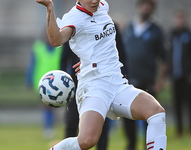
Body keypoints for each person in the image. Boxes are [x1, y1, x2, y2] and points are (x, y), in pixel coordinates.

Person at [36, 0, 167, 150]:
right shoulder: (74, 18)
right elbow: (56, 40)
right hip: (94, 88)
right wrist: (50, 8)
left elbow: (97, 40)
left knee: (156, 112)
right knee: (87, 140)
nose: (94, 1)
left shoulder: (102, 6)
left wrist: (88, 59)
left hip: (117, 84)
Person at [61, 22, 126, 150]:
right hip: (77, 85)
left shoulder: (110, 25)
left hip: (103, 84)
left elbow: (122, 55)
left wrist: (122, 77)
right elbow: (64, 58)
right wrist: (63, 83)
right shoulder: (73, 24)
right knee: (72, 121)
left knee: (101, 124)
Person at [122, 0, 167, 149]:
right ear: (138, 7)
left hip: (148, 82)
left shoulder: (156, 30)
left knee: (150, 117)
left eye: (149, 7)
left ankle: (149, 146)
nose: (146, 9)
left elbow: (164, 58)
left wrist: (160, 79)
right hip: (128, 81)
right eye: (144, 5)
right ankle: (131, 145)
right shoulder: (128, 28)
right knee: (127, 116)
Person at [168, 9, 191, 137]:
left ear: (185, 20)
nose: (179, 21)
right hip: (175, 75)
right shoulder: (172, 34)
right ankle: (179, 130)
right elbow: (168, 55)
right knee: (177, 104)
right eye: (178, 18)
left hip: (187, 75)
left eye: (182, 18)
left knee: (190, 103)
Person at [26, 31, 63, 139]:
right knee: (47, 107)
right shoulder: (38, 48)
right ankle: (48, 128)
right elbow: (32, 65)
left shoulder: (60, 48)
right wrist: (29, 81)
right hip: (42, 83)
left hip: (59, 83)